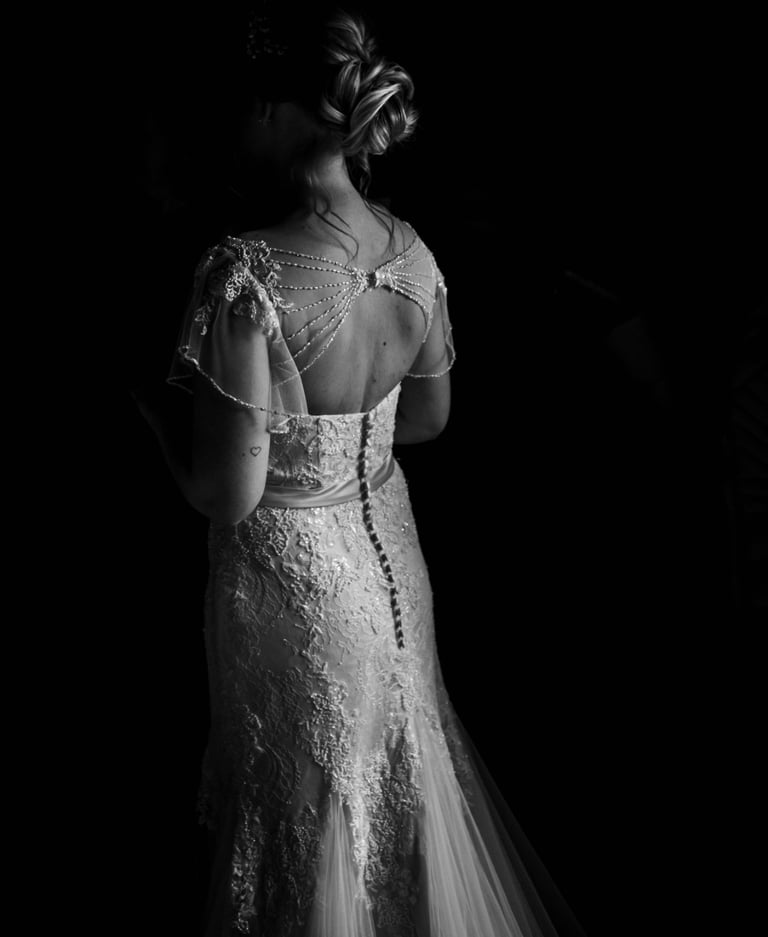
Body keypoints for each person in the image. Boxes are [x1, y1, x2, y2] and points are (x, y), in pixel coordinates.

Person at [133, 4, 588, 935]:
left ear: (271, 109)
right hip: (393, 579)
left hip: (294, 598)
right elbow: (428, 417)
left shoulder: (246, 272)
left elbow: (230, 492)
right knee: (392, 790)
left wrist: (158, 430)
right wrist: (347, 450)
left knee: (308, 815)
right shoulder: (413, 252)